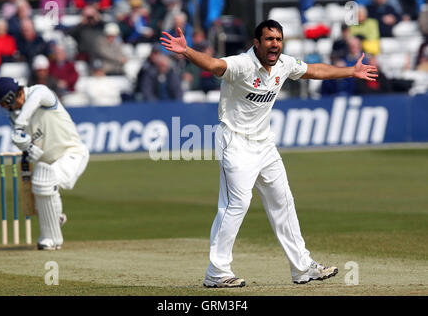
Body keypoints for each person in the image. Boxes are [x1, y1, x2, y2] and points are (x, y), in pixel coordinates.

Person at [160, 20, 378, 287]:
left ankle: (302, 268)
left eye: (278, 39)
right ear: (257, 43)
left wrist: (350, 71)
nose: (274, 44)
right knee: (235, 205)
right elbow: (214, 65)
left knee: (283, 203)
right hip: (236, 143)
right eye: (269, 39)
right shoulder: (242, 64)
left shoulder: (284, 64)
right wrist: (187, 51)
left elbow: (315, 70)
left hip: (265, 145)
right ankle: (217, 272)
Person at [0, 76, 89, 250]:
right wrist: (26, 147)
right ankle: (54, 219)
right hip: (48, 164)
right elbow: (31, 147)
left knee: (45, 180)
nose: (5, 108)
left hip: (72, 154)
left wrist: (20, 126)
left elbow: (35, 99)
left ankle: (52, 239)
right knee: (42, 181)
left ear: (10, 98)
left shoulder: (40, 92)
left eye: (4, 104)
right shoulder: (15, 117)